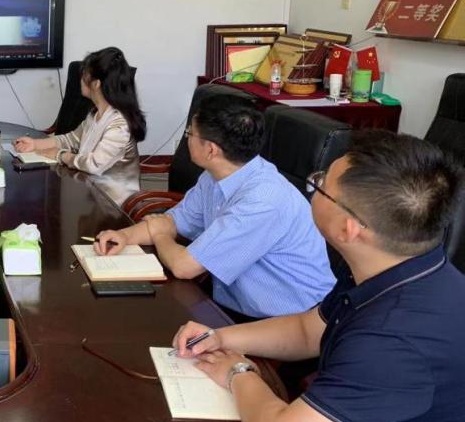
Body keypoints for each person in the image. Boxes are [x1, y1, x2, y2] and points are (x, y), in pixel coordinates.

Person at [171, 132, 465, 422]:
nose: (313, 185)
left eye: (321, 184)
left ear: (349, 228)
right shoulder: (402, 266)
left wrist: (238, 372)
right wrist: (219, 336)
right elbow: (308, 329)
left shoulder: (395, 339)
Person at [96, 93, 335, 320]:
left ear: (211, 150)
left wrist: (160, 235)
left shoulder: (262, 201)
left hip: (290, 321)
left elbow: (183, 267)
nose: (187, 138)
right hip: (232, 304)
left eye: (190, 133)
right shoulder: (218, 174)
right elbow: (173, 221)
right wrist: (123, 236)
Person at [13, 47, 146, 201]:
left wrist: (60, 155)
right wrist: (35, 144)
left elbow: (93, 164)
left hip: (114, 203)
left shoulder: (120, 124)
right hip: (90, 193)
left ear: (96, 84)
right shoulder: (95, 115)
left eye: (84, 75)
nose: (81, 79)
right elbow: (71, 139)